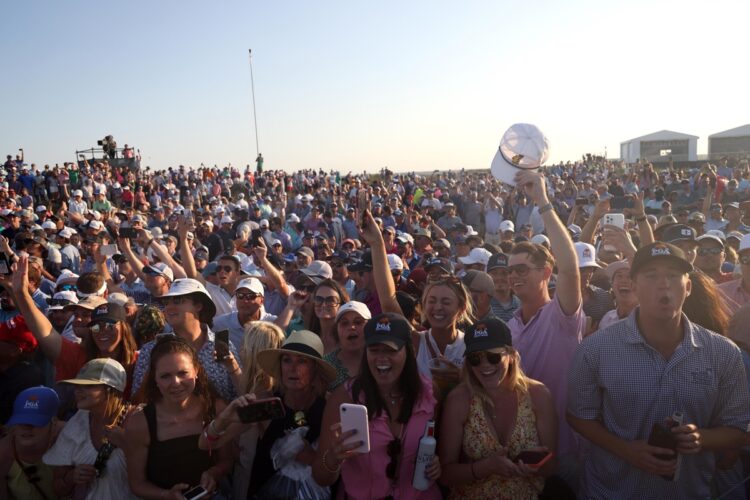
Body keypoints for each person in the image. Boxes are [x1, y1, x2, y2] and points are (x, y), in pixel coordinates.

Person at [567, 242, 750, 498]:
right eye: (651, 275)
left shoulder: (723, 353)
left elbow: (739, 430)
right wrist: (625, 450)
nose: (664, 284)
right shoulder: (596, 349)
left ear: (688, 287)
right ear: (633, 285)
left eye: (673, 276)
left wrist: (702, 438)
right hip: (612, 492)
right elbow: (579, 416)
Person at [313, 313, 442, 499]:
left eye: (390, 350)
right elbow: (320, 477)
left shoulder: (429, 394)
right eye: (374, 350)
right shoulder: (344, 398)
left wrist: (436, 466)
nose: (381, 358)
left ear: (408, 350)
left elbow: (438, 453)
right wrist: (333, 458)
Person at [507, 170, 585, 477]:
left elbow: (571, 269)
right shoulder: (510, 327)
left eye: (523, 269)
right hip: (520, 448)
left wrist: (542, 200)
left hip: (566, 451)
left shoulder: (561, 315)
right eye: (510, 270)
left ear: (546, 273)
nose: (514, 276)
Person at [200, 329, 335, 498]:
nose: (293, 368)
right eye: (287, 360)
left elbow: (338, 464)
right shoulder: (268, 403)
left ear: (315, 369)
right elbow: (207, 443)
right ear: (280, 366)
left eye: (302, 361)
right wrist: (224, 417)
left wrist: (314, 459)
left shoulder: (329, 406)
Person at [439, 318, 557, 499]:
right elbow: (445, 474)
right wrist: (485, 468)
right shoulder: (460, 399)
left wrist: (534, 465)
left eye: (493, 356)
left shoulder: (538, 395)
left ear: (511, 356)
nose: (484, 364)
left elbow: (551, 466)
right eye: (475, 358)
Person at [13, 256, 139, 397]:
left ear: (124, 328)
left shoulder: (140, 362)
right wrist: (21, 294)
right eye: (95, 326)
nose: (102, 331)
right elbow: (46, 333)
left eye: (109, 325)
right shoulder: (80, 356)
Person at [124, 335, 232, 499]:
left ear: (196, 370)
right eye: (165, 376)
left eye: (183, 373)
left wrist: (214, 473)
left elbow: (228, 460)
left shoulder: (216, 409)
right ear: (155, 378)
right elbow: (137, 483)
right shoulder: (141, 422)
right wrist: (166, 495)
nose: (175, 382)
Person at [131, 278, 239, 402]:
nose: (168, 308)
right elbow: (137, 402)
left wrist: (234, 368)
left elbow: (241, 394)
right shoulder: (151, 350)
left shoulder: (222, 345)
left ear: (198, 305)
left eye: (177, 301)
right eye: (166, 302)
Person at [44, 358, 136, 500]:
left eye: (88, 386)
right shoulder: (77, 424)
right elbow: (57, 488)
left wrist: (127, 445)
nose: (77, 391)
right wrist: (71, 477)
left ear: (111, 389)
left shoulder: (138, 420)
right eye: (77, 386)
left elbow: (157, 478)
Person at [0, 386, 63, 500]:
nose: (26, 428)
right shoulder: (4, 452)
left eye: (34, 422)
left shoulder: (72, 438)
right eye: (20, 421)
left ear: (53, 421)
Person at [323, 301, 372, 390]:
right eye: (344, 323)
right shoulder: (326, 364)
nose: (351, 327)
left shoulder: (379, 360)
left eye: (358, 322)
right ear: (336, 330)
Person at [597, 260, 638, 331]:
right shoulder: (607, 319)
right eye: (619, 276)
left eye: (630, 276)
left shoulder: (650, 319)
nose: (624, 281)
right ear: (612, 284)